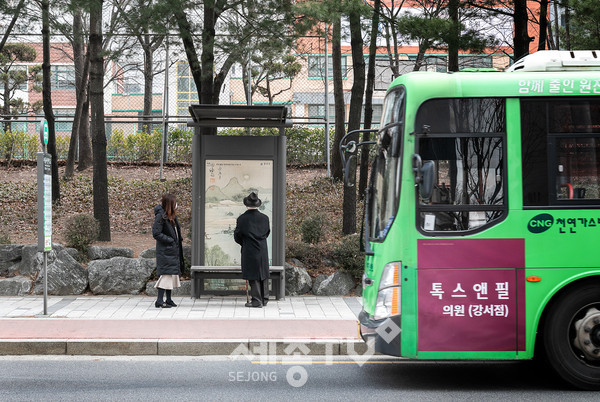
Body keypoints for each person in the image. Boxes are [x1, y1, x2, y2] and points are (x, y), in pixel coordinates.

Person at [234, 192, 271, 308]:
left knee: (252, 275)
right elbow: (267, 233)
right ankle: (264, 299)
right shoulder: (265, 218)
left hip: (249, 249)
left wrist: (244, 243)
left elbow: (237, 236)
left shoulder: (242, 219)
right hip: (263, 249)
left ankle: (256, 301)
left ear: (246, 205)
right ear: (258, 204)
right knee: (263, 273)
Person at [152, 193, 184, 308]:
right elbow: (156, 233)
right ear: (170, 204)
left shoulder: (171, 216)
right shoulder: (161, 216)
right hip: (166, 251)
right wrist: (170, 240)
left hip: (172, 250)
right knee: (166, 275)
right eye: (175, 203)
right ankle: (159, 301)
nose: (177, 205)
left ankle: (169, 299)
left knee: (171, 275)